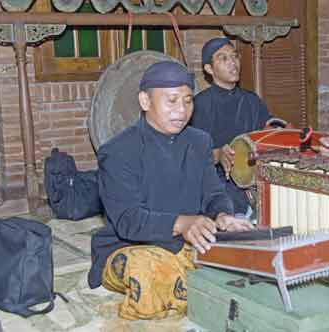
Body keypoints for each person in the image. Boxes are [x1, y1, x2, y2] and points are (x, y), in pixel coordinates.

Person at [88, 61, 253, 320]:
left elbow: (213, 193)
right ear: (145, 101)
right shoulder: (118, 152)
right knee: (147, 271)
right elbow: (128, 221)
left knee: (252, 253)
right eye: (172, 101)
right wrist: (182, 223)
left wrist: (222, 215)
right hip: (131, 246)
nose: (182, 110)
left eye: (188, 101)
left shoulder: (199, 142)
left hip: (188, 241)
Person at [191, 37, 273, 216]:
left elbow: (267, 133)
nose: (233, 63)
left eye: (234, 56)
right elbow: (192, 156)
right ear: (209, 69)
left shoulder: (252, 100)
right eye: (223, 58)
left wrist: (276, 131)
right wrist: (218, 154)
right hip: (219, 185)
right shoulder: (199, 105)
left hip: (256, 180)